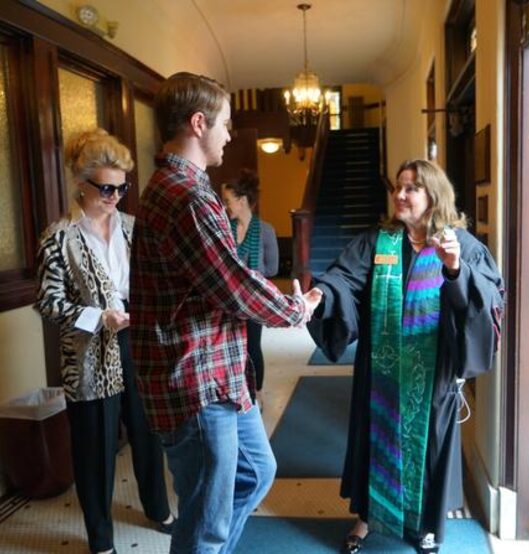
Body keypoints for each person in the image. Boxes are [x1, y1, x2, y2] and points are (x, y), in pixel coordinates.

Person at [129, 72, 321, 554]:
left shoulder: (188, 189)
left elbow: (227, 276)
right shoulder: (186, 196)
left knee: (257, 473)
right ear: (199, 123)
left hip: (221, 374)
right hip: (195, 381)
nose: (230, 134)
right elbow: (232, 285)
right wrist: (293, 310)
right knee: (207, 520)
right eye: (227, 124)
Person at [306, 159, 504, 554]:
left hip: (432, 374)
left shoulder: (460, 245)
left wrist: (454, 270)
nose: (400, 194)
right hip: (380, 367)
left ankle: (427, 525)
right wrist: (322, 295)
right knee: (374, 437)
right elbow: (344, 278)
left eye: (412, 187)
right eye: (398, 186)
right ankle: (367, 517)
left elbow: (488, 301)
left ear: (434, 195)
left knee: (429, 445)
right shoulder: (379, 242)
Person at [35, 129, 174, 554]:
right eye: (106, 188)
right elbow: (48, 302)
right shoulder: (58, 237)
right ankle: (100, 539)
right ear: (81, 182)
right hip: (88, 357)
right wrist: (99, 318)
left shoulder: (135, 227)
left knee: (149, 432)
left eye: (121, 187)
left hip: (139, 342)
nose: (115, 196)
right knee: (95, 449)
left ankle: (158, 509)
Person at [221, 169, 280, 404]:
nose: (225, 206)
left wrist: (249, 277)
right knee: (229, 346)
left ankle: (257, 394)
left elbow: (273, 268)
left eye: (227, 200)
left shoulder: (266, 230)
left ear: (242, 200)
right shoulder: (224, 228)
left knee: (252, 346)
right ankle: (234, 392)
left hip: (254, 300)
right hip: (228, 300)